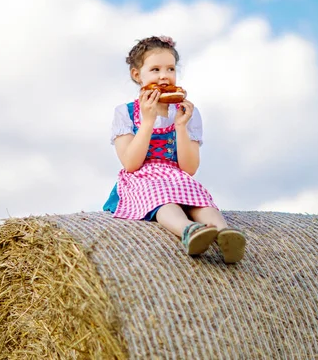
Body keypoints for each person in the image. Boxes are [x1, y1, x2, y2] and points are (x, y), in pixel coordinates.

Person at [103, 36, 246, 264]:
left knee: (200, 200)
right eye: (155, 69)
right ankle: (189, 230)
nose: (164, 75)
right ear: (137, 75)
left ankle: (225, 234)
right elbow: (131, 163)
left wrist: (181, 126)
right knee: (163, 200)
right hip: (142, 179)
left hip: (176, 176)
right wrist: (148, 122)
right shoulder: (126, 113)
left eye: (170, 68)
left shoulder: (187, 112)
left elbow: (189, 168)